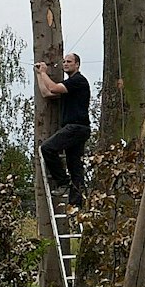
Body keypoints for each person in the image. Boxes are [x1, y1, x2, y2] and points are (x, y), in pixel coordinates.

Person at [36, 53, 91, 208]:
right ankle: (76, 205)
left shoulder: (78, 81)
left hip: (76, 127)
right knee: (75, 167)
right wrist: (40, 75)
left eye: (69, 62)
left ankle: (62, 182)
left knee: (47, 148)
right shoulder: (69, 85)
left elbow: (52, 87)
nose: (65, 64)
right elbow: (47, 93)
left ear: (77, 65)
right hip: (78, 129)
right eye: (64, 62)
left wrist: (44, 73)